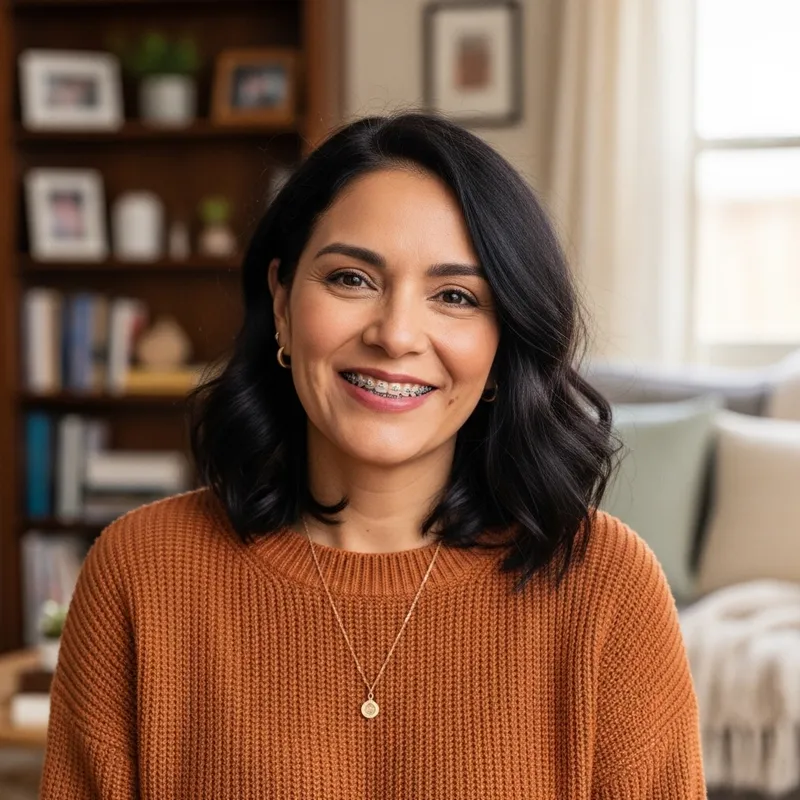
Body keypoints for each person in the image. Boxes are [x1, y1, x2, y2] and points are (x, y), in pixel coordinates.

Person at [40, 112, 706, 798]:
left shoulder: (607, 587)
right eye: (352, 279)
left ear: (504, 344)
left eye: (454, 296)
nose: (395, 334)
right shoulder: (140, 573)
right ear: (281, 302)